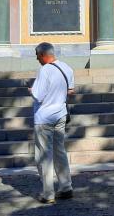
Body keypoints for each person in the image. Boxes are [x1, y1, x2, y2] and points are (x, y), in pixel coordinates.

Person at [29, 42, 74, 204]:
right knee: (59, 151)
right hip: (61, 114)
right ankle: (66, 186)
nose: (37, 59)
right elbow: (71, 91)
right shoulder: (67, 68)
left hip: (44, 117)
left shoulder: (45, 70)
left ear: (43, 55)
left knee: (44, 155)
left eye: (37, 56)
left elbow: (38, 96)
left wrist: (31, 91)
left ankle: (48, 194)